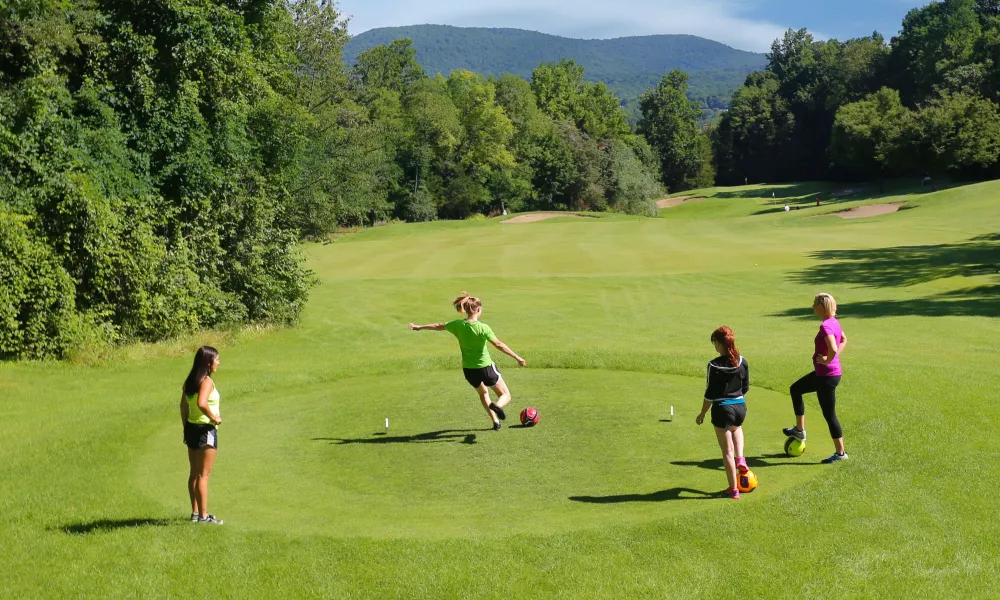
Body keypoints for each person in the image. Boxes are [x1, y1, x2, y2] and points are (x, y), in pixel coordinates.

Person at [410, 293, 526, 430]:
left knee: (483, 394)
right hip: (486, 368)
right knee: (505, 395)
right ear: (478, 310)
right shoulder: (483, 328)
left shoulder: (458, 325)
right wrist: (517, 357)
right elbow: (499, 344)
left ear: (465, 309)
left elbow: (438, 325)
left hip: (469, 371)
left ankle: (496, 422)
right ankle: (497, 407)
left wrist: (419, 327)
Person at [783, 293, 849, 463]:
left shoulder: (826, 325)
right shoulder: (834, 322)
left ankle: (841, 453)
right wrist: (831, 358)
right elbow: (844, 340)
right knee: (795, 389)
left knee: (829, 415)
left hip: (826, 377)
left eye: (814, 304)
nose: (812, 306)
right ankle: (799, 430)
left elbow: (834, 347)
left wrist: (828, 359)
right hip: (827, 375)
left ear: (821, 306)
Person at [696, 326, 750, 499]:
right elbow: (746, 387)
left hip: (722, 409)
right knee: (737, 428)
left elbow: (709, 394)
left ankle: (734, 489)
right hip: (740, 407)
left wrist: (702, 413)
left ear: (719, 343)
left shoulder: (713, 365)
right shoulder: (742, 361)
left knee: (727, 451)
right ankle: (741, 458)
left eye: (715, 343)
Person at [180, 346, 224, 524]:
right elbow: (202, 403)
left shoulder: (190, 381)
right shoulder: (206, 382)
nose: (219, 363)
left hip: (191, 428)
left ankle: (196, 513)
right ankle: (204, 517)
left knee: (194, 473)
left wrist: (185, 426)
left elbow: (183, 406)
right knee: (203, 475)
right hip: (206, 430)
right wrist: (215, 418)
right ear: (208, 362)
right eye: (217, 360)